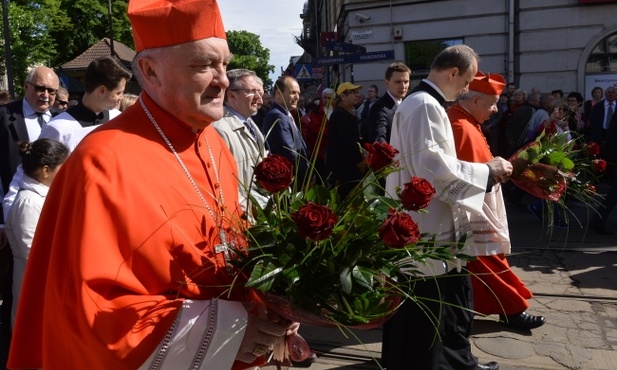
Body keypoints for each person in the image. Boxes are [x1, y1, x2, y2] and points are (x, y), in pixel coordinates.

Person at [8, 0, 295, 369]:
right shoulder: (102, 160)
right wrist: (227, 333)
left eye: (223, 64)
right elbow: (91, 309)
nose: (223, 80)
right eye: (204, 65)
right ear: (150, 71)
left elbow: (227, 251)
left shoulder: (214, 144)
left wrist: (275, 304)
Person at [383, 44, 510, 370]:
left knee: (448, 300)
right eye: (467, 82)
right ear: (453, 73)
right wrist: (488, 172)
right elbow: (433, 172)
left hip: (430, 221)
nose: (468, 89)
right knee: (429, 307)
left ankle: (457, 360)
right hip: (429, 225)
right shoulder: (425, 105)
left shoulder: (422, 104)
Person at [448, 71, 546, 331]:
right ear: (476, 100)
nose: (495, 110)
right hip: (471, 209)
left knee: (490, 259)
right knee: (486, 261)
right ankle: (512, 308)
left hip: (481, 203)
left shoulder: (468, 121)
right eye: (492, 104)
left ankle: (508, 308)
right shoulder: (459, 125)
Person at [3, 56, 130, 220]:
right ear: (101, 91)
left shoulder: (116, 117)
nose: (122, 97)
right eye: (119, 93)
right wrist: (10, 215)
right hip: (78, 211)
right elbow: (30, 171)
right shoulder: (59, 128)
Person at [0, 65, 59, 354]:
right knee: (16, 283)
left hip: (46, 209)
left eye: (51, 90)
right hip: (14, 212)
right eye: (40, 88)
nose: (45, 95)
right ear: (25, 87)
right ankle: (12, 346)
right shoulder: (3, 116)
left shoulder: (60, 119)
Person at [5, 139, 69, 327]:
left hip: (46, 277)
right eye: (62, 168)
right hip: (35, 280)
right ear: (45, 171)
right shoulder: (29, 202)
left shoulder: (42, 196)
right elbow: (31, 249)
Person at [212, 68, 267, 211]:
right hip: (242, 215)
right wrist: (246, 216)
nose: (259, 99)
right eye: (252, 91)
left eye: (259, 92)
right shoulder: (219, 129)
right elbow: (224, 184)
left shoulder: (250, 123)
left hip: (257, 211)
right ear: (231, 95)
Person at [262, 75, 310, 187]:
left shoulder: (285, 114)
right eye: (293, 92)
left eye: (298, 93)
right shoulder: (278, 116)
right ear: (278, 93)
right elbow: (288, 153)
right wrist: (306, 176)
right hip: (292, 182)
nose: (297, 97)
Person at [325, 82, 366, 199]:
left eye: (357, 92)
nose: (357, 95)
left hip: (349, 171)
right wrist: (362, 164)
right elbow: (349, 144)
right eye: (353, 92)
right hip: (343, 174)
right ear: (342, 96)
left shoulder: (348, 112)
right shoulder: (339, 115)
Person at [364, 62, 411, 143]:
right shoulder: (379, 108)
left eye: (406, 82)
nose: (403, 86)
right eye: (398, 82)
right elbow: (379, 141)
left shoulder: (408, 104)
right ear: (386, 83)